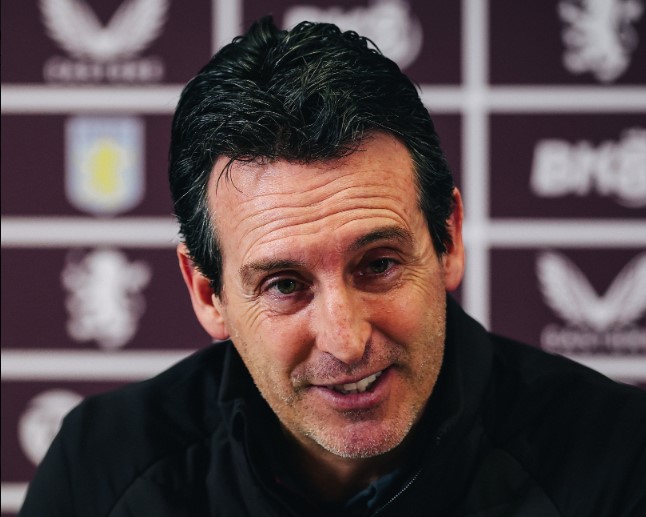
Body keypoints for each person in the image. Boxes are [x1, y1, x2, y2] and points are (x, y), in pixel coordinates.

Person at [21, 16, 645, 517]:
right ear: (208, 293)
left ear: (449, 239)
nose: (346, 341)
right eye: (285, 285)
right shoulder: (102, 471)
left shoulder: (619, 460)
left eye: (378, 264)